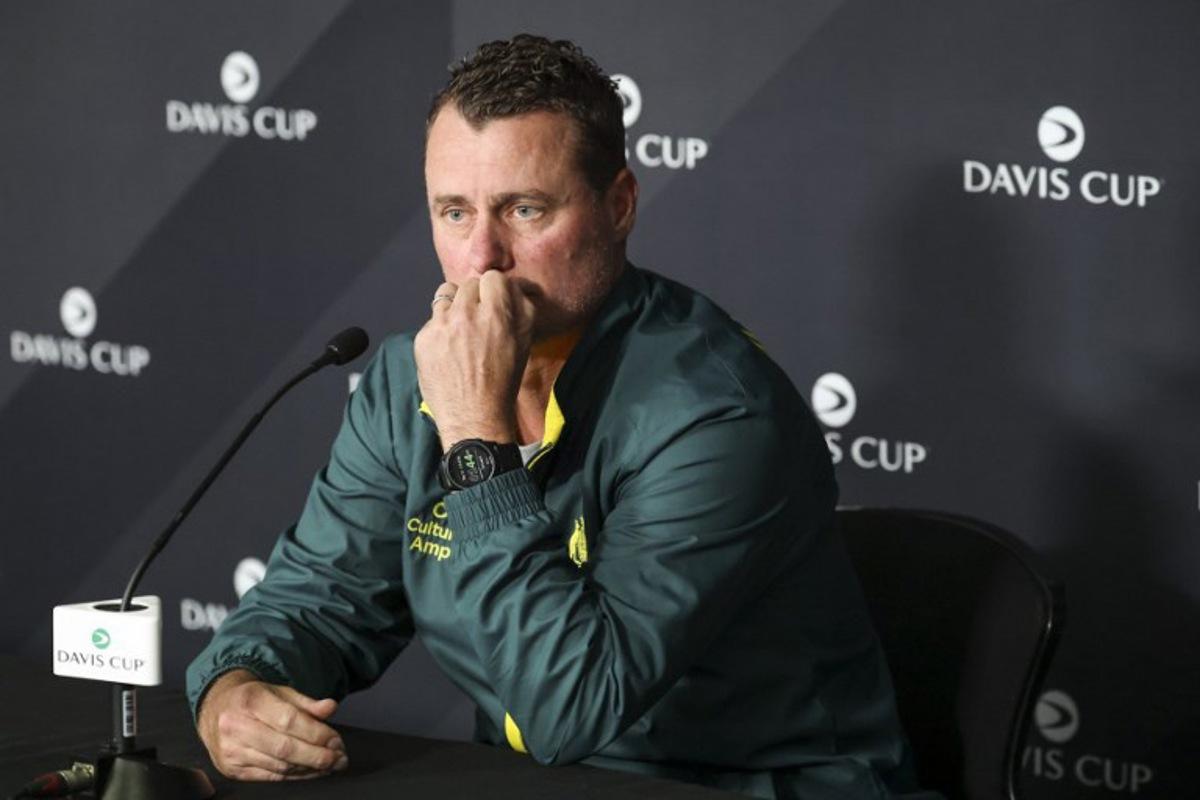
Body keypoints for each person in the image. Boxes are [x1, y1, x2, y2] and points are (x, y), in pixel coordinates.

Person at [187, 34, 922, 799]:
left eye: (525, 209)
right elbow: (317, 601)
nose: (481, 258)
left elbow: (569, 708)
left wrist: (476, 432)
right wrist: (235, 688)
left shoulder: (717, 413)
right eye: (454, 212)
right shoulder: (410, 380)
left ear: (620, 204)